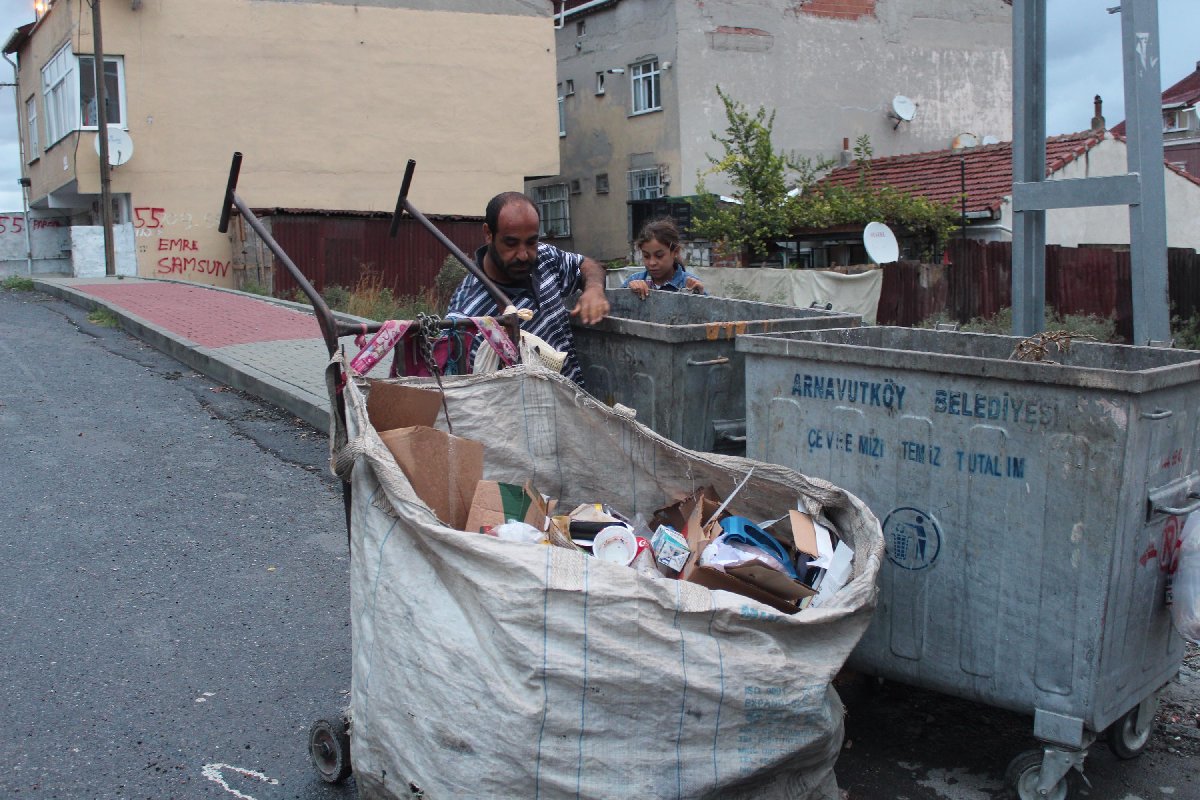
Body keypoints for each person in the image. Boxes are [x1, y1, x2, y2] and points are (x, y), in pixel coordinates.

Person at [446, 191, 610, 387]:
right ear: (488, 234)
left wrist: (593, 289)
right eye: (511, 243)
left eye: (531, 242)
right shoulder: (467, 314)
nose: (524, 255)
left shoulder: (545, 257)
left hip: (573, 402)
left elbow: (588, 265)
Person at [622, 218, 706, 299]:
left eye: (659, 256)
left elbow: (710, 311)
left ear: (675, 252)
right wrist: (628, 293)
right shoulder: (634, 281)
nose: (652, 263)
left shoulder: (690, 284)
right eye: (646, 256)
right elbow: (616, 307)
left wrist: (699, 296)